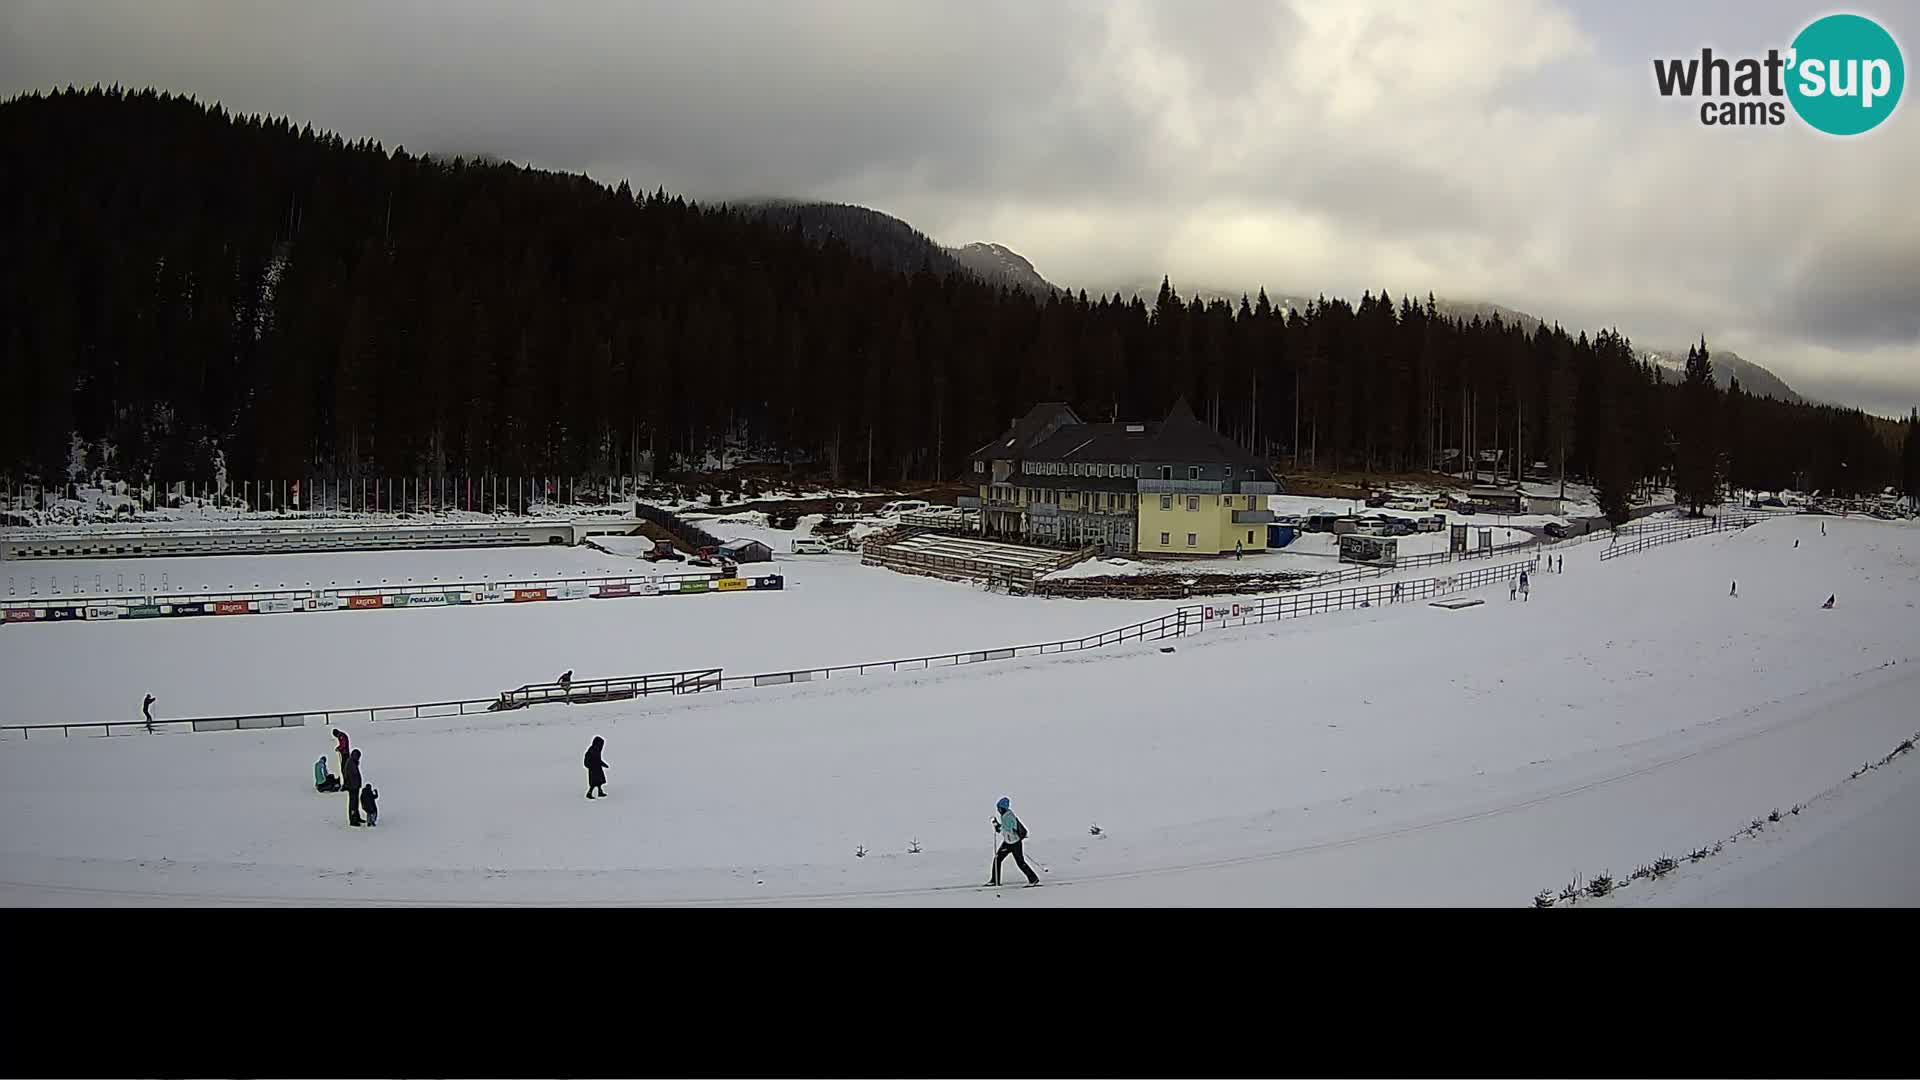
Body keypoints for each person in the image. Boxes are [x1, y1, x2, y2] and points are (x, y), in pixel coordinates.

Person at [990, 797, 1040, 887]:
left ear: (1002, 808)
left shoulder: (1008, 816)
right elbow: (1005, 829)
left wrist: (997, 826)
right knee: (998, 859)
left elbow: (1008, 830)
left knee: (1019, 862)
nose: (998, 810)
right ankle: (995, 880)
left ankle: (1033, 879)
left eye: (999, 808)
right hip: (1008, 842)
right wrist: (998, 826)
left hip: (1014, 843)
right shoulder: (1005, 815)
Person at [343, 748, 365, 827]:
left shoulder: (352, 762)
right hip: (352, 787)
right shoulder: (350, 763)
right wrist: (351, 785)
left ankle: (357, 817)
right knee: (353, 803)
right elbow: (348, 776)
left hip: (355, 786)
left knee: (355, 803)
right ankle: (353, 820)